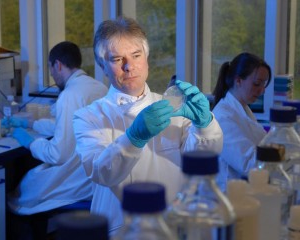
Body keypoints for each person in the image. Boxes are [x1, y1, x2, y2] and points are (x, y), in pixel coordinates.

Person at [73, 17, 223, 236]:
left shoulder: (174, 108)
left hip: (174, 224)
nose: (129, 66)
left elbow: (202, 159)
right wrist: (133, 138)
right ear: (103, 67)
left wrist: (205, 124)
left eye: (136, 55)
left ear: (147, 59)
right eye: (116, 59)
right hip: (121, 229)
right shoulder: (88, 117)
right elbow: (101, 172)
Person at [7, 41, 108, 237]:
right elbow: (67, 124)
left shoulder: (69, 95)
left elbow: (58, 154)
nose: (51, 74)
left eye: (50, 68)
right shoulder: (97, 87)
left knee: (18, 195)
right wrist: (31, 124)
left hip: (76, 179)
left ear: (58, 65)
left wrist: (30, 142)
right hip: (96, 178)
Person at [212, 52, 271, 182]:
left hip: (245, 189)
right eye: (257, 83)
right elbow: (249, 164)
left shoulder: (242, 109)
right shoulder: (222, 118)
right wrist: (282, 150)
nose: (262, 90)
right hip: (229, 195)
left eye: (264, 84)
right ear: (238, 80)